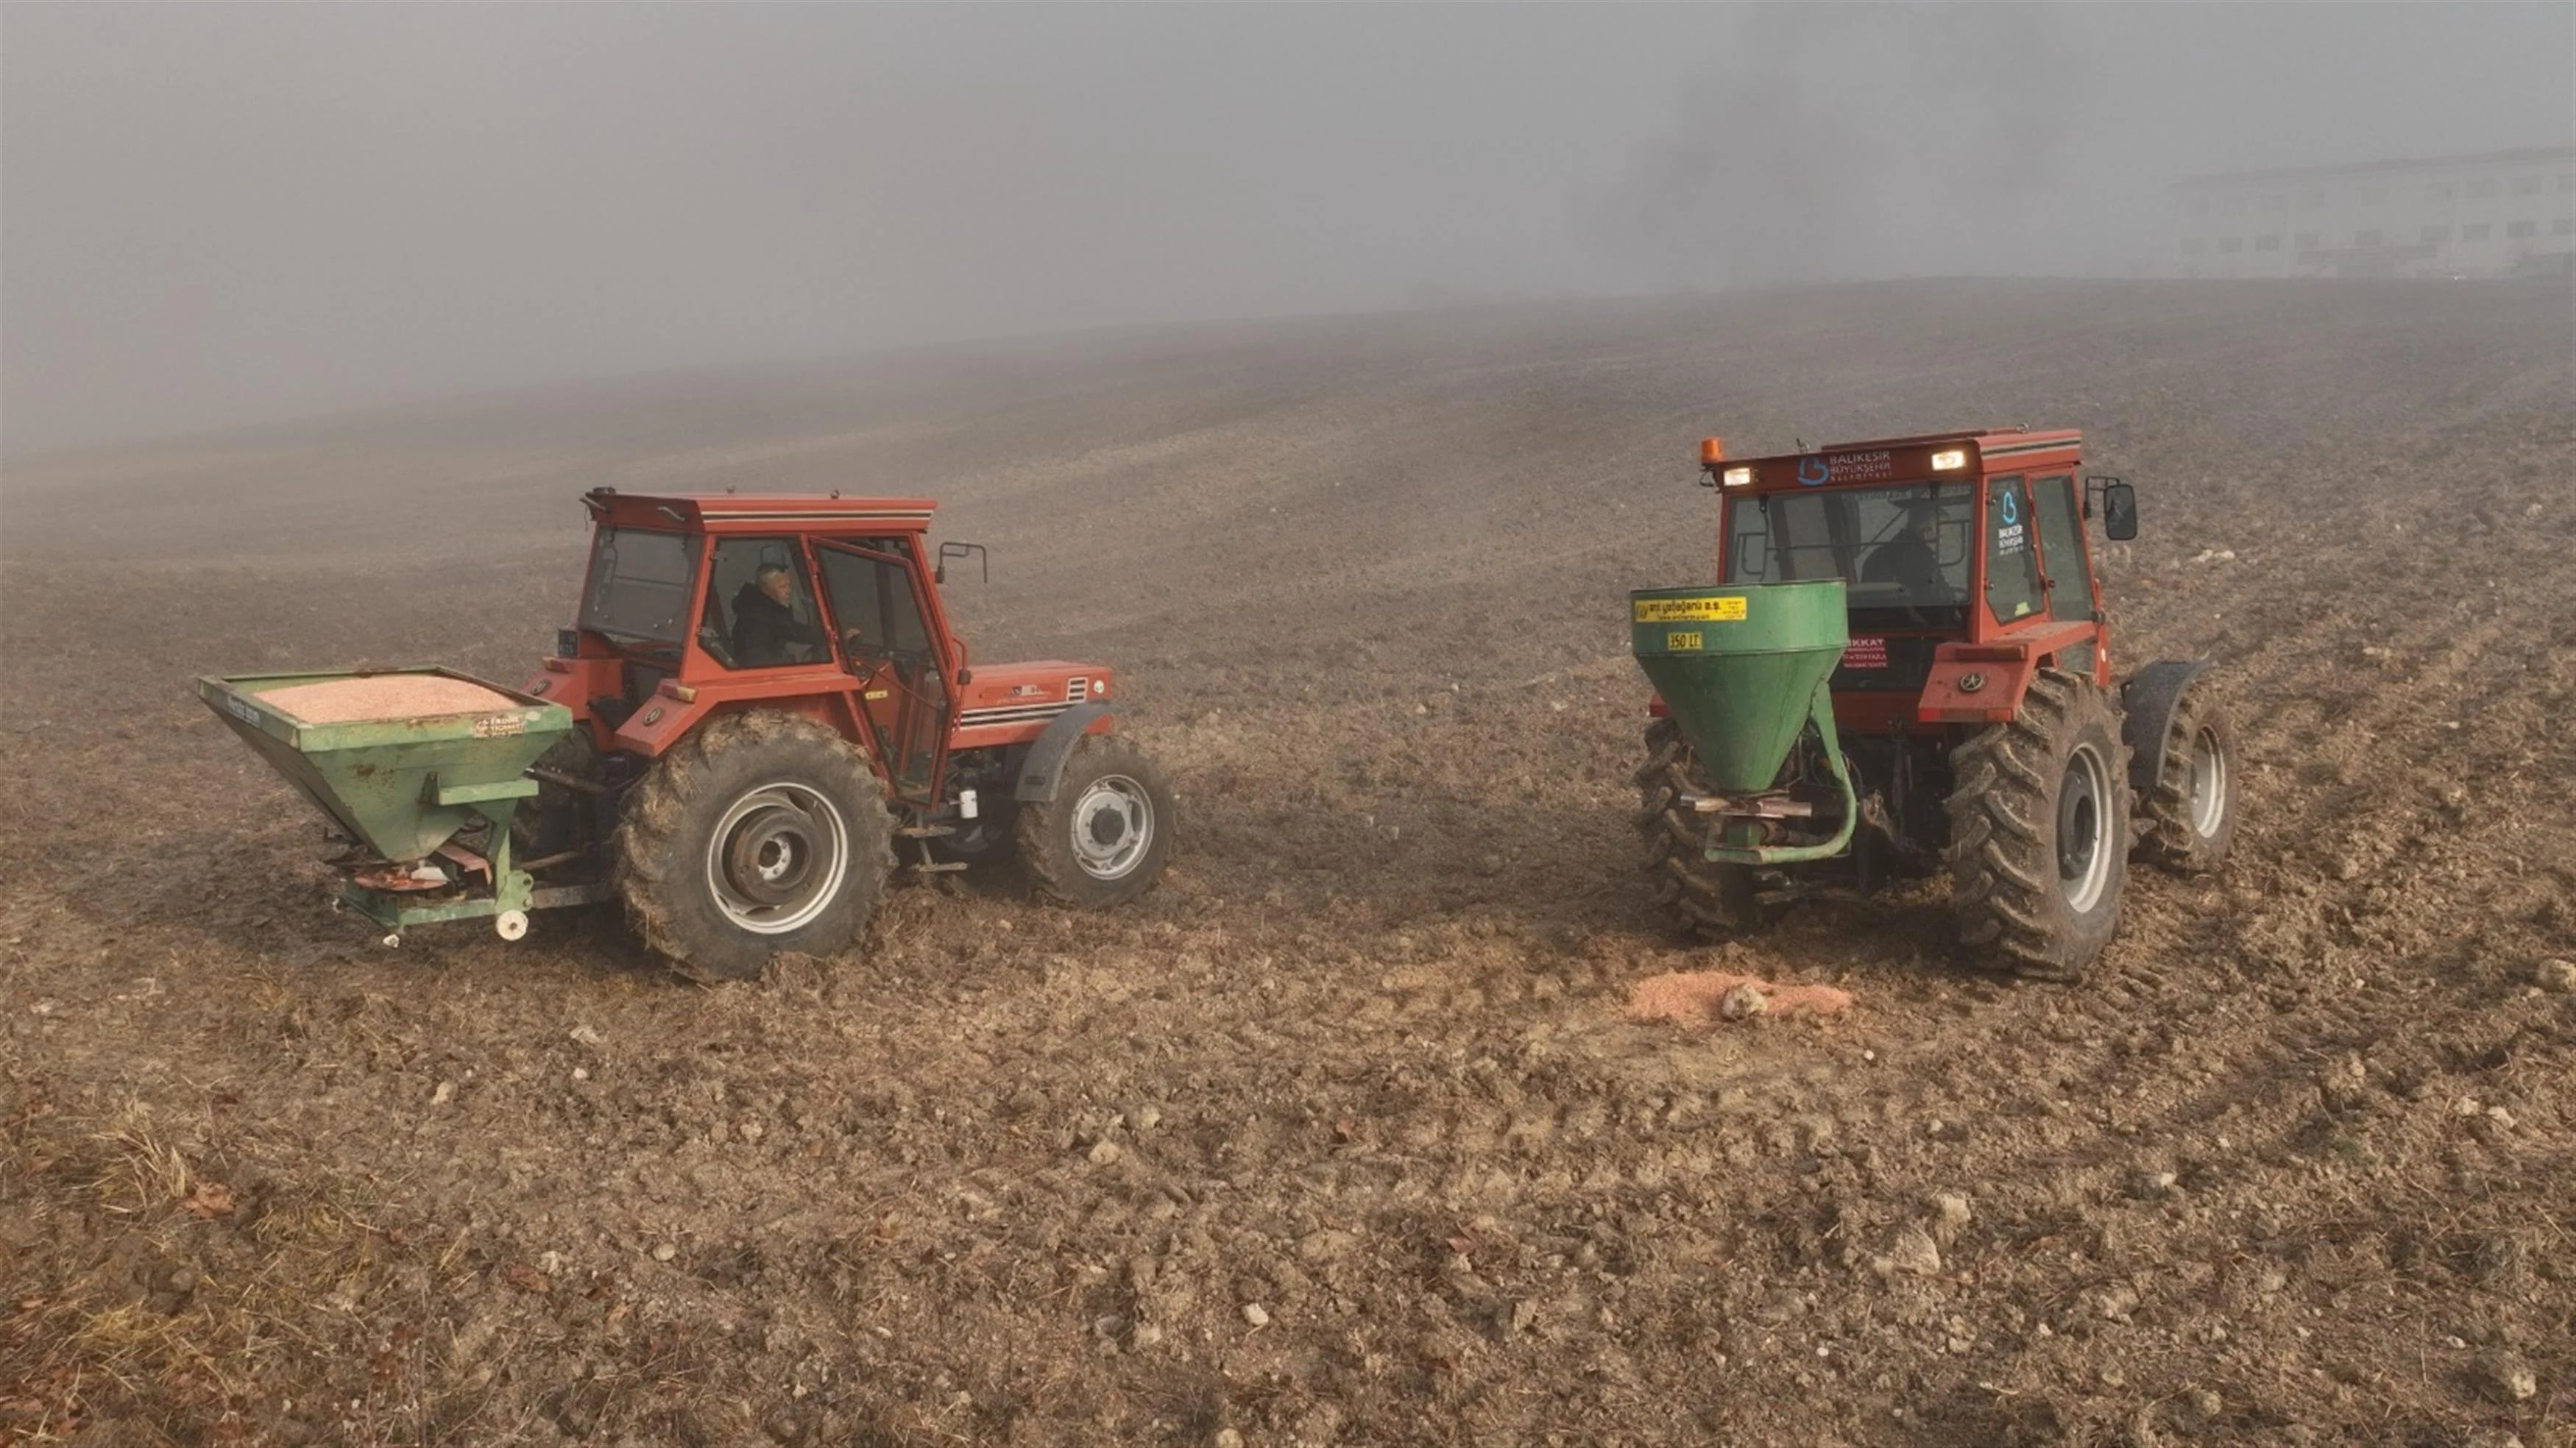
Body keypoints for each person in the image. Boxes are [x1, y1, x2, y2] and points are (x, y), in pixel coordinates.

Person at [731, 563, 826, 665]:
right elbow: (795, 631)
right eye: (782, 587)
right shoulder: (759, 617)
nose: (789, 591)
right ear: (766, 589)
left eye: (789, 586)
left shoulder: (766, 610)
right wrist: (827, 635)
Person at [1862, 501, 1949, 595]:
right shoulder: (1924, 563)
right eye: (1941, 536)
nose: (1941, 543)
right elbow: (1942, 600)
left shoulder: (1876, 556)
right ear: (1926, 533)